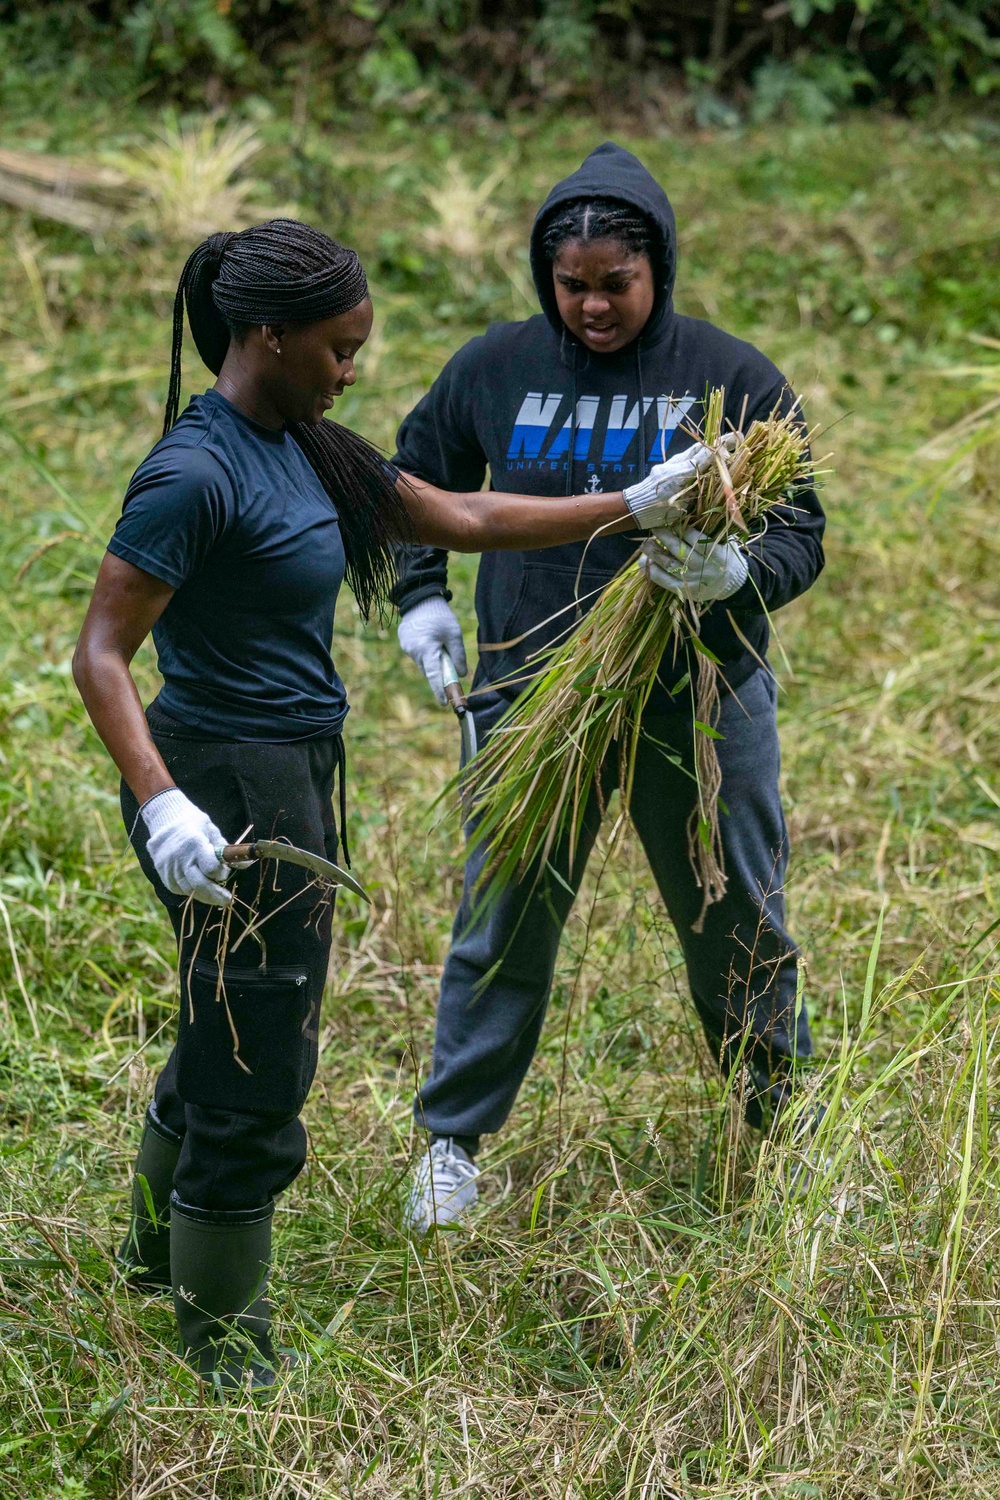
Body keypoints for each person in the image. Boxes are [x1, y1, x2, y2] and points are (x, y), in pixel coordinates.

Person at [72, 218, 689, 1392]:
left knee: (230, 1009)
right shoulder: (193, 472)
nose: (353, 367)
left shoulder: (306, 442)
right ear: (268, 335)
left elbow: (457, 516)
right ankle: (221, 1336)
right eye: (340, 346)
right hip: (223, 781)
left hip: (294, 768)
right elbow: (100, 655)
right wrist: (161, 806)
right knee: (258, 1044)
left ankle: (156, 1253)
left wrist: (632, 504)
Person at [392, 143, 826, 1232]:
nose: (590, 304)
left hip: (699, 697)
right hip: (534, 696)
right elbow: (414, 477)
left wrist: (740, 573)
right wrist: (419, 598)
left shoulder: (733, 380)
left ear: (658, 268)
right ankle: (452, 1143)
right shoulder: (489, 368)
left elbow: (803, 532)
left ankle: (783, 1121)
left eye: (613, 285)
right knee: (504, 917)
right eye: (570, 284)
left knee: (736, 912)